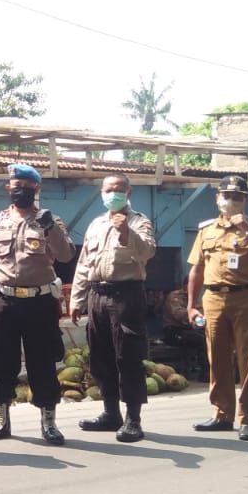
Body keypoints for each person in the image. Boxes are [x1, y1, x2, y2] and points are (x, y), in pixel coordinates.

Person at [0, 163, 74, 445]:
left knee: (43, 362)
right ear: (8, 189)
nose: (21, 192)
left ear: (36, 189)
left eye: (27, 188)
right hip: (3, 300)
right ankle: (1, 420)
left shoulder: (50, 220)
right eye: (16, 187)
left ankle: (49, 423)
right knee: (1, 361)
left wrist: (51, 229)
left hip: (40, 302)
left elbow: (65, 255)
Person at [186, 175, 248, 441]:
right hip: (213, 299)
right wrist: (191, 305)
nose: (231, 201)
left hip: (246, 297)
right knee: (218, 358)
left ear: (245, 200)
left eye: (237, 197)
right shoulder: (206, 229)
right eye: (226, 196)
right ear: (217, 199)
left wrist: (247, 228)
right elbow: (197, 269)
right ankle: (222, 415)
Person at [70, 173, 156, 442]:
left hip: (126, 295)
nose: (113, 194)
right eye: (109, 190)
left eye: (119, 189)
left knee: (128, 357)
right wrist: (77, 299)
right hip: (98, 295)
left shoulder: (139, 222)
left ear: (128, 193)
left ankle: (133, 419)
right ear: (101, 193)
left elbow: (147, 252)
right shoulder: (96, 224)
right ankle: (110, 413)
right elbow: (84, 264)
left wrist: (125, 232)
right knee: (101, 356)